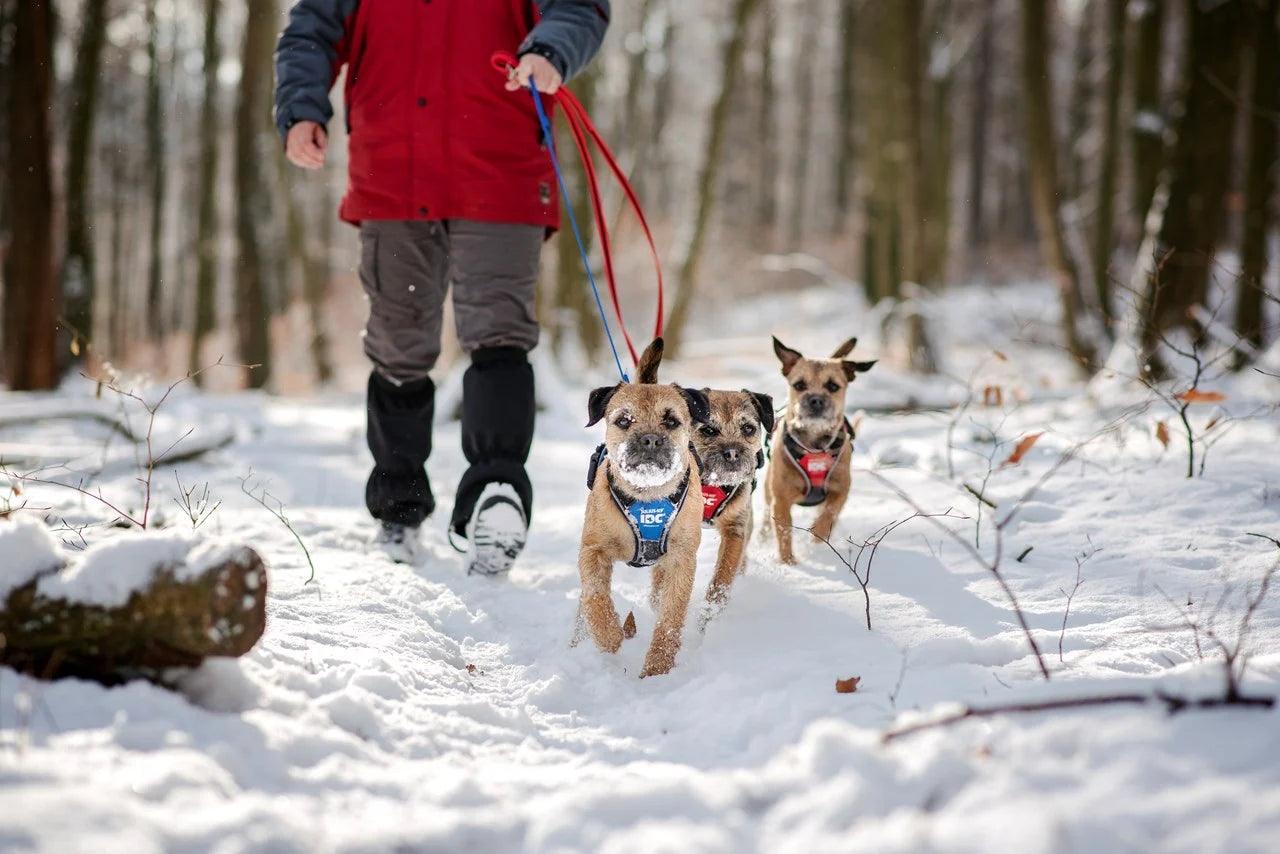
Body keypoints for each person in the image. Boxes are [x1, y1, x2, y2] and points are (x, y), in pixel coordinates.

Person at [275, 0, 611, 573]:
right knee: (399, 344)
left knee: (499, 333)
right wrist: (303, 105)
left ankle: (495, 494)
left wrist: (550, 50)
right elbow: (312, 27)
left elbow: (579, 7)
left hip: (500, 170)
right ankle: (398, 508)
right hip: (392, 174)